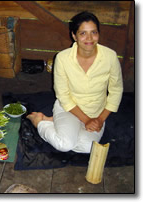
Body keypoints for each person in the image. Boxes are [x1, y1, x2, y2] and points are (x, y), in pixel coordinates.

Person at [26, 11, 123, 153]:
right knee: (65, 144)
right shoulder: (63, 58)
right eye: (83, 33)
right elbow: (63, 96)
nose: (89, 38)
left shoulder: (110, 56)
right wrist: (86, 120)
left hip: (96, 112)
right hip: (69, 109)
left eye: (94, 32)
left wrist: (100, 119)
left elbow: (116, 90)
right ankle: (40, 122)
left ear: (98, 34)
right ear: (74, 36)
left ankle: (57, 122)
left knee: (88, 147)